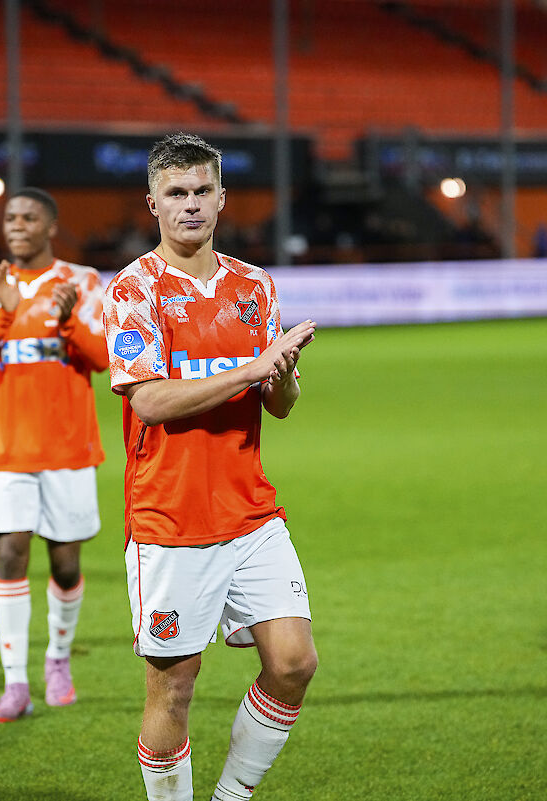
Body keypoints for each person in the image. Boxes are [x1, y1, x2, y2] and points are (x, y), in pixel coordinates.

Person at [103, 132, 318, 801]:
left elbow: (278, 405)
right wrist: (250, 369)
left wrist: (280, 375)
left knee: (293, 663)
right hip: (171, 519)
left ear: (222, 198)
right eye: (176, 193)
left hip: (250, 510)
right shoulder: (134, 290)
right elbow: (149, 400)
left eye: (202, 190)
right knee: (174, 685)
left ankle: (230, 797)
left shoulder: (254, 286)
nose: (190, 204)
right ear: (153, 204)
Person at [0, 187, 107, 722]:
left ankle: (58, 659)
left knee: (65, 566)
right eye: (10, 218)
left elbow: (105, 358)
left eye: (28, 217)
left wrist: (68, 322)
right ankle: (15, 684)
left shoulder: (82, 282)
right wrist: (4, 312)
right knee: (10, 554)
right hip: (8, 450)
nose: (16, 225)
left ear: (50, 227)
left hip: (68, 448)